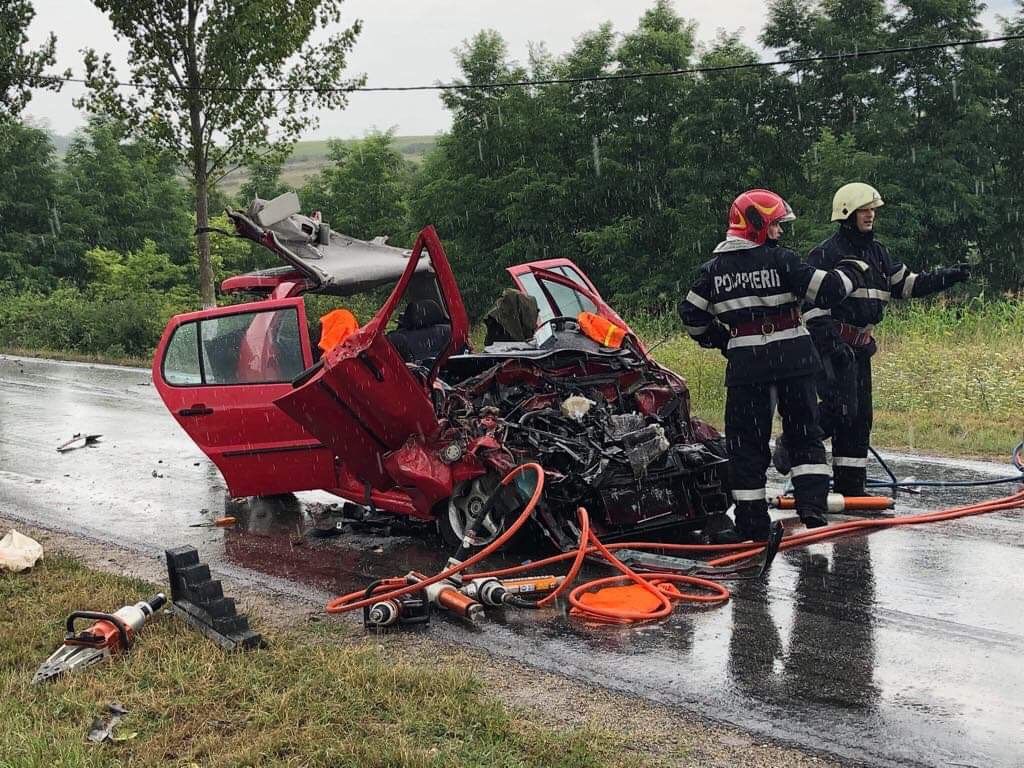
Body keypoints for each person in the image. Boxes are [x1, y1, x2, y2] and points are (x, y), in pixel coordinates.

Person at [678, 189, 869, 541]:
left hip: (746, 367)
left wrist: (724, 340)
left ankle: (752, 522)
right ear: (758, 225)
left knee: (747, 444)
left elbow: (691, 317)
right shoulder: (783, 260)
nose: (781, 232)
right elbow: (827, 291)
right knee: (804, 433)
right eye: (777, 225)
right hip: (794, 361)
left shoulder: (713, 270)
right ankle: (811, 506)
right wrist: (852, 270)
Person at [791, 182, 971, 496]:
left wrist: (949, 276)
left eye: (873, 209)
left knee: (859, 418)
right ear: (847, 213)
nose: (871, 214)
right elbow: (812, 306)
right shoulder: (826, 253)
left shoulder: (878, 253)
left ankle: (851, 487)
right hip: (832, 347)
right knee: (839, 410)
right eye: (865, 209)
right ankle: (794, 440)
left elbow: (908, 286)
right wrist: (831, 346)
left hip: (860, 349)